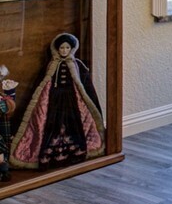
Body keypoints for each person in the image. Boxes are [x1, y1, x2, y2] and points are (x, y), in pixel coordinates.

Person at [8, 34, 104, 169]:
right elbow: (42, 83)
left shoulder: (77, 65)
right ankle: (51, 154)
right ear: (56, 49)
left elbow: (86, 85)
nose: (64, 51)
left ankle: (76, 150)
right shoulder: (51, 65)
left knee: (73, 123)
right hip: (54, 100)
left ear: (72, 49)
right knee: (53, 125)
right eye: (61, 48)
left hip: (72, 100)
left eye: (67, 48)